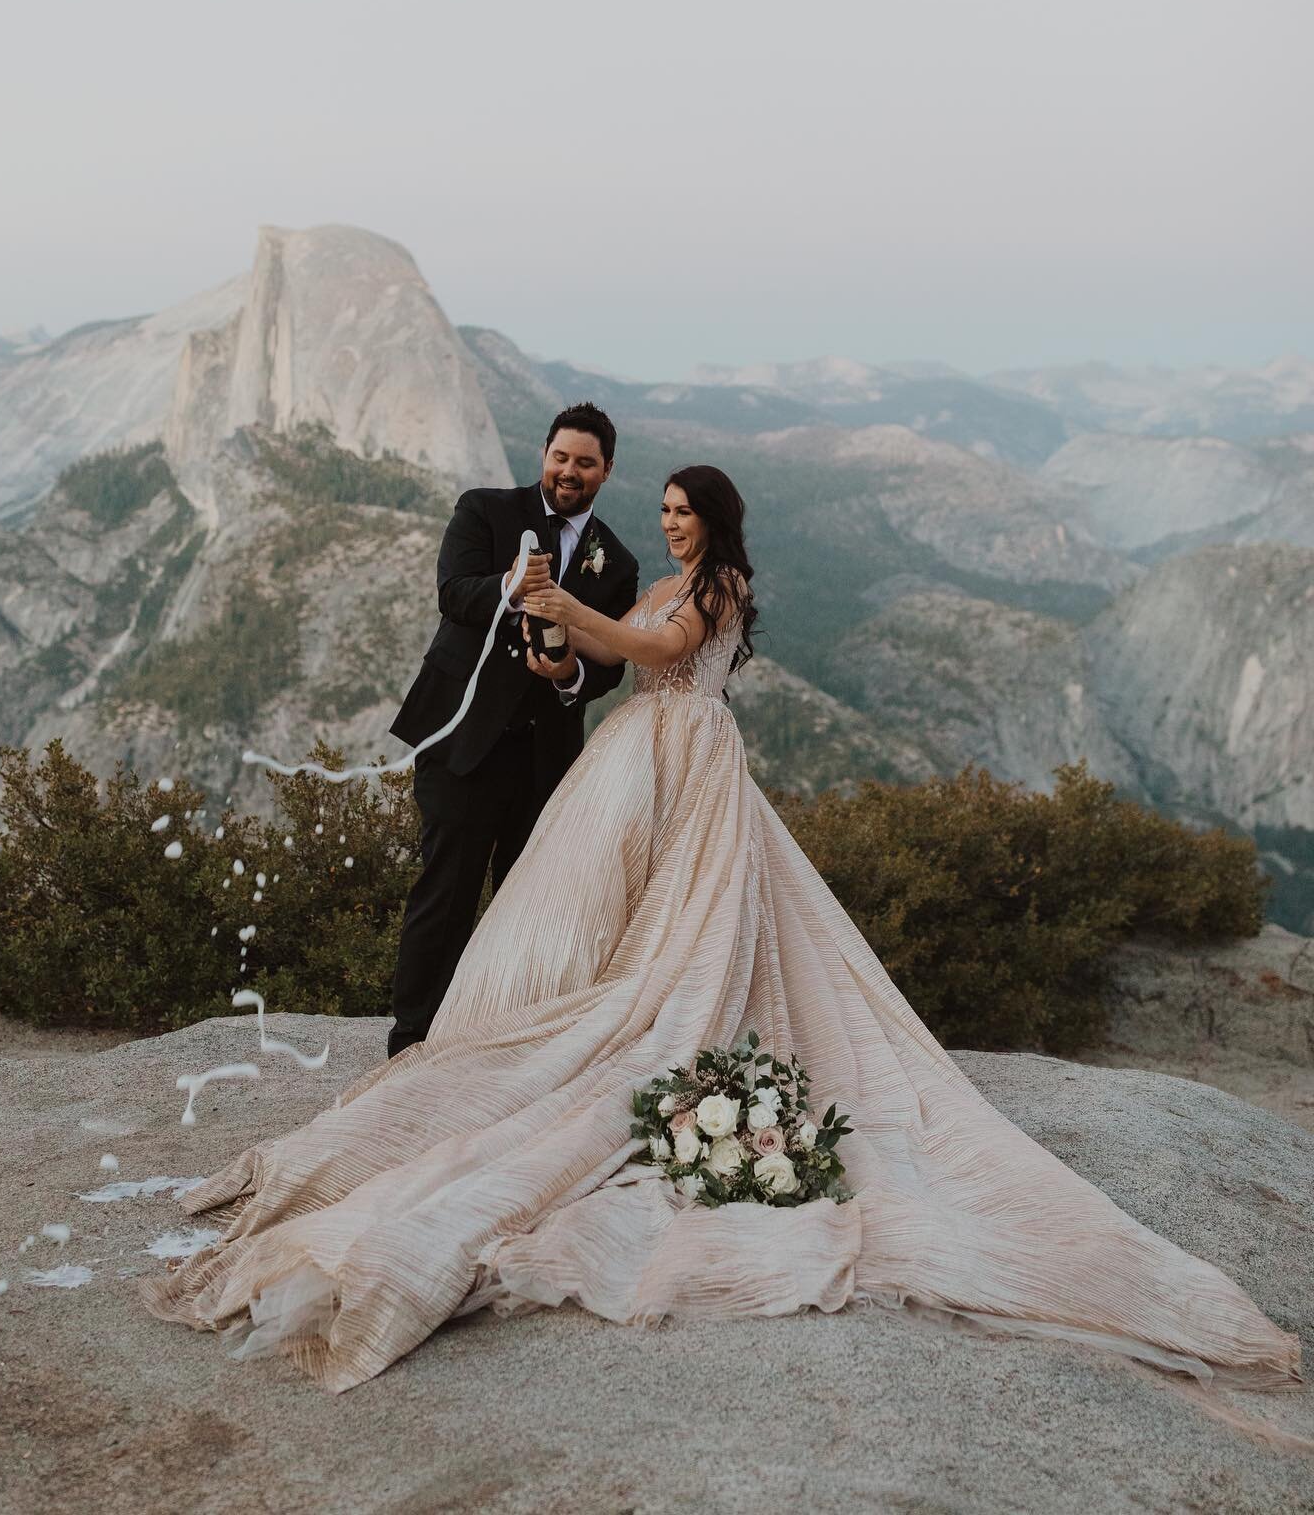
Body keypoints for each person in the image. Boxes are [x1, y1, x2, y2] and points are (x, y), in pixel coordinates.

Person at [145, 464, 1302, 1423]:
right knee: (603, 921)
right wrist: (559, 653)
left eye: (682, 512)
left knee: (692, 937)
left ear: (718, 518)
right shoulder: (665, 580)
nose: (669, 523)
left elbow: (652, 655)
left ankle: (640, 1032)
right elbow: (607, 667)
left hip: (689, 758)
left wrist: (562, 612)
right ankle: (524, 1032)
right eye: (663, 514)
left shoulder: (723, 586)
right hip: (634, 756)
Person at [383, 403, 638, 1055]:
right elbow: (453, 592)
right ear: (544, 455)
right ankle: (414, 1040)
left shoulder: (619, 564)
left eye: (585, 462)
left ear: (606, 469)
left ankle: (502, 1040)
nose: (569, 471)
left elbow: (606, 672)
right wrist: (508, 584)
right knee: (447, 893)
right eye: (561, 457)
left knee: (530, 907)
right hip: (463, 741)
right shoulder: (485, 511)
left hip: (545, 760)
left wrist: (564, 673)